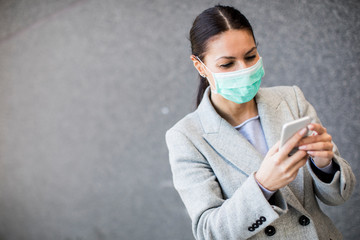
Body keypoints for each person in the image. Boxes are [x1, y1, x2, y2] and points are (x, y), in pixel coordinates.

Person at [165, 5, 356, 240]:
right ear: (199, 66)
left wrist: (325, 165)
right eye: (227, 64)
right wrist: (263, 185)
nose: (244, 70)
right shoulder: (186, 137)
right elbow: (209, 232)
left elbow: (338, 197)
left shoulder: (291, 99)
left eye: (250, 56)